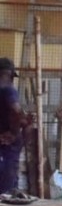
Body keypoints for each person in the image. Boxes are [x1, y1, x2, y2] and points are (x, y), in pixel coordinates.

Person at [0, 58, 26, 194]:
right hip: (7, 145)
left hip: (4, 142)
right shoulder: (8, 90)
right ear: (10, 75)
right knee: (7, 187)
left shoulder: (5, 90)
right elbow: (16, 110)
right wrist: (14, 133)